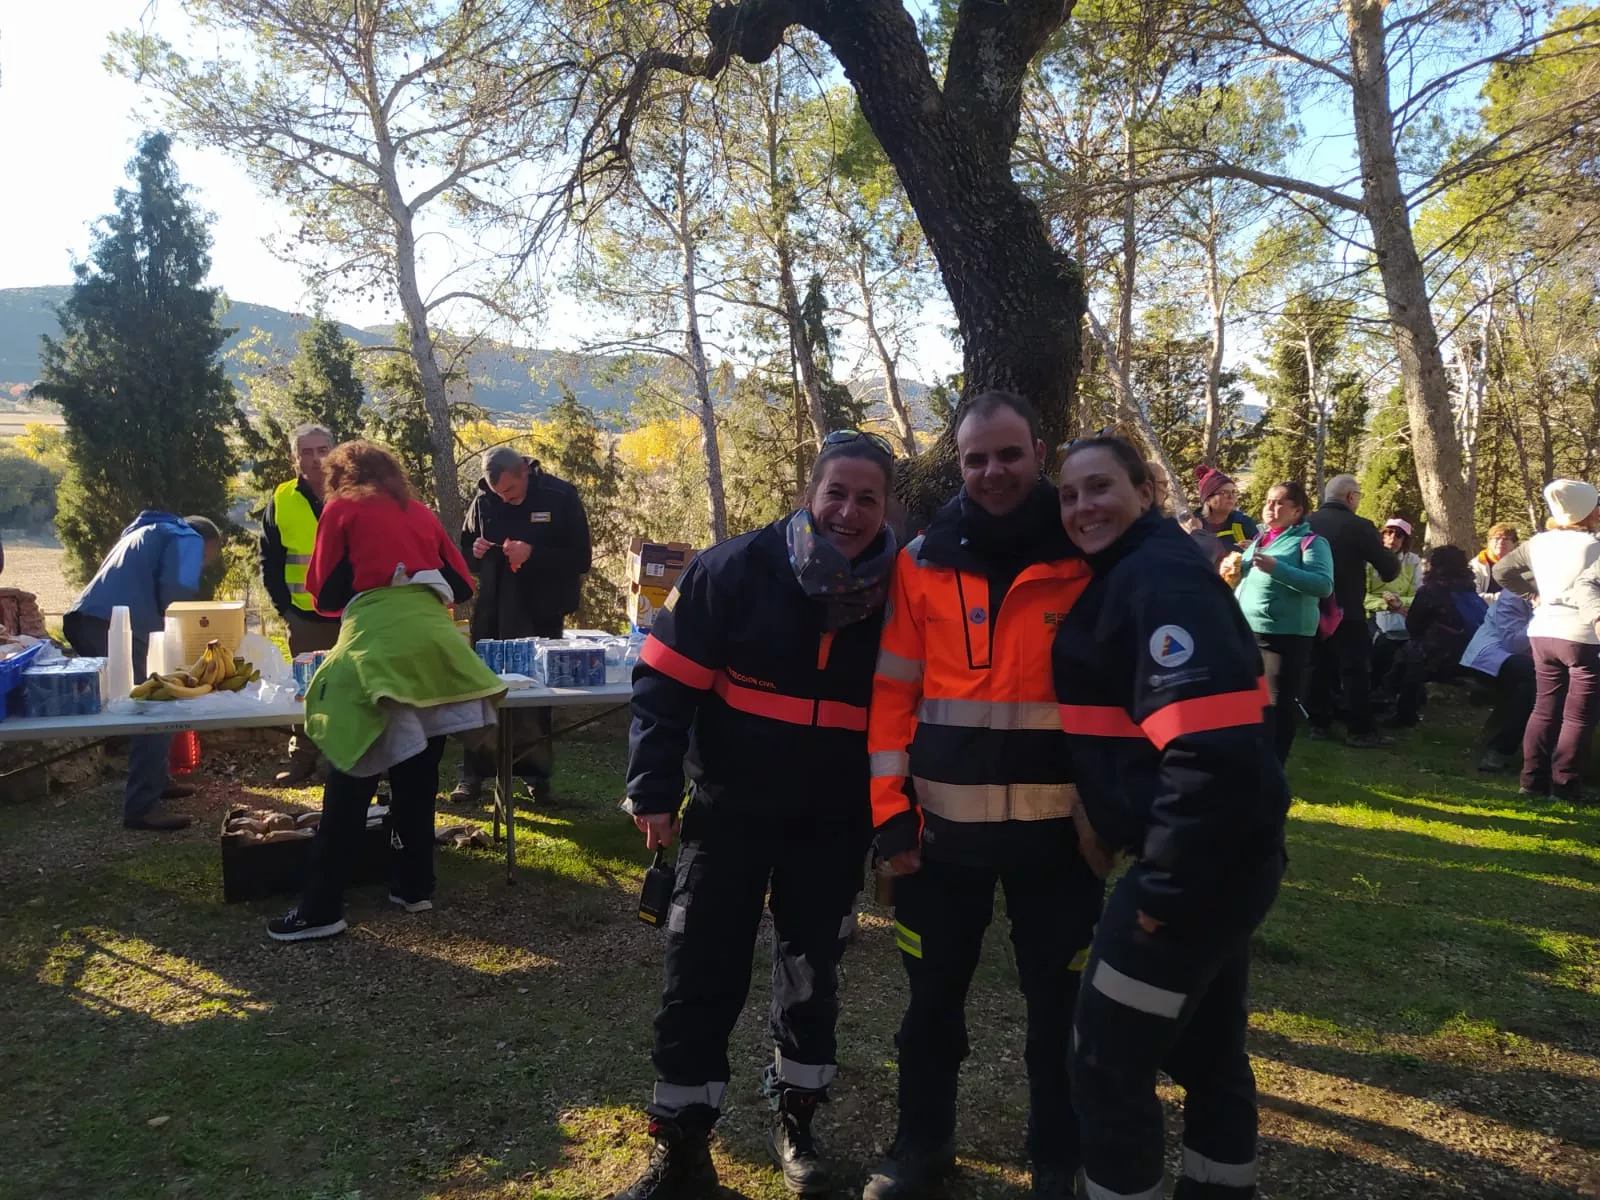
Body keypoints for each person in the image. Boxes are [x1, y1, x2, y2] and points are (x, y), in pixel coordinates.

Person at [614, 431, 898, 1199]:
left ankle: (797, 1121)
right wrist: (651, 789)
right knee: (699, 973)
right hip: (729, 811)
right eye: (836, 492)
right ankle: (681, 1147)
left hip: (834, 823)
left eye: (867, 498)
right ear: (811, 492)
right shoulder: (732, 568)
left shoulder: (901, 591)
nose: (849, 511)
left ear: (886, 506)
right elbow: (664, 685)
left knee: (813, 980)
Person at [864, 391, 1103, 1200]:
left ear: (1040, 451)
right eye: (975, 458)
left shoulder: (1090, 554)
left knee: (1061, 1014)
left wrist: (1110, 810)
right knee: (930, 1010)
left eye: (1008, 454)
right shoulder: (920, 559)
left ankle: (1057, 1163)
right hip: (940, 840)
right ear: (957, 464)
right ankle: (919, 1147)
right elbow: (892, 695)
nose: (992, 471)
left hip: (1062, 844)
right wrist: (888, 812)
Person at [1052, 435, 1288, 1200]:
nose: (1084, 507)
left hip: (1193, 874)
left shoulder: (1160, 582)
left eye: (1100, 487)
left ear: (1145, 490)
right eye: (1070, 495)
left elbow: (1211, 756)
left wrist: (1163, 894)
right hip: (1225, 863)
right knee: (1213, 1053)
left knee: (1105, 1062)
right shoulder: (1138, 569)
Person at [268, 441, 504, 942]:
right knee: (418, 778)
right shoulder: (418, 511)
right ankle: (414, 886)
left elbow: (322, 594)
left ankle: (321, 907)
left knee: (351, 778)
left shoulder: (340, 509)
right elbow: (463, 585)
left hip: (377, 646)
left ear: (338, 476)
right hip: (437, 650)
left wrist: (372, 588)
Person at [63, 512, 223, 831]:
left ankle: (158, 781)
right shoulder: (187, 537)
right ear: (207, 544)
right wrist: (187, 633)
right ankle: (141, 808)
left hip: (89, 619)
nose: (204, 566)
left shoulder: (150, 531)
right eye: (208, 559)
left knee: (148, 703)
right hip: (118, 624)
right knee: (154, 707)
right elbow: (175, 592)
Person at [452, 448, 591, 805]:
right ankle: (473, 775)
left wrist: (533, 554)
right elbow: (465, 551)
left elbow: (581, 558)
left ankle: (535, 778)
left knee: (536, 696)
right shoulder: (483, 501)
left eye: (511, 492)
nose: (506, 500)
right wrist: (476, 553)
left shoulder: (560, 496)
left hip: (542, 611)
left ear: (525, 471)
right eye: (499, 494)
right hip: (493, 613)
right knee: (481, 693)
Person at [1493, 479, 1600, 803]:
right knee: (1578, 716)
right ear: (1586, 510)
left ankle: (1531, 782)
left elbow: (1501, 571)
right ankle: (1565, 787)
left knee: (1544, 709)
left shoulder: (1538, 543)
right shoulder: (1594, 545)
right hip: (1582, 634)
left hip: (1542, 631)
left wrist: (1533, 595)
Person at [1228, 481, 1333, 763]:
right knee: (1247, 700)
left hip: (1283, 636)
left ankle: (1273, 766)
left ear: (1297, 510)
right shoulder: (1261, 539)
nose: (1270, 508)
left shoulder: (1310, 542)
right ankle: (1249, 760)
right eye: (1267, 501)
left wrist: (1279, 569)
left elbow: (1323, 585)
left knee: (1276, 705)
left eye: (1278, 503)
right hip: (1248, 631)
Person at [260, 422, 340, 785]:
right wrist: (285, 610)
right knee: (304, 691)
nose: (315, 458)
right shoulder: (282, 499)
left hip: (351, 613)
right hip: (304, 616)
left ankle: (350, 759)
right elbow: (270, 560)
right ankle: (303, 758)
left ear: (333, 452)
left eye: (322, 450)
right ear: (294, 458)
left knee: (355, 686)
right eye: (306, 452)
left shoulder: (353, 495)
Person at [1306, 475, 1400, 747]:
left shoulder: (1306, 523)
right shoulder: (1359, 526)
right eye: (1358, 496)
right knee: (1355, 670)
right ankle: (1360, 730)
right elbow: (1389, 568)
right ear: (1350, 497)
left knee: (1316, 667)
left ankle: (1318, 724)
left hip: (1312, 607)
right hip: (1347, 609)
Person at [1385, 546, 1486, 729]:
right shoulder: (1468, 589)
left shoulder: (1430, 591)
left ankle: (1401, 712)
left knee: (1404, 655)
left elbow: (1413, 627)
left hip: (1438, 656)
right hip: (1470, 653)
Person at [1461, 590, 1535, 773]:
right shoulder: (1514, 595)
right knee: (1534, 680)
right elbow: (1513, 644)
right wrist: (1544, 616)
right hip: (1492, 655)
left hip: (1528, 657)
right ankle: (1500, 750)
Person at [1366, 517, 1424, 699]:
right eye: (1389, 533)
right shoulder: (1369, 560)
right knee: (1382, 644)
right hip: (1374, 613)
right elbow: (1360, 594)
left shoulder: (1412, 561)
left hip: (1403, 613)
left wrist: (1400, 603)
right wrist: (1384, 604)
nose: (1393, 538)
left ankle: (1403, 693)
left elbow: (1418, 594)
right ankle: (1375, 689)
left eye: (1399, 535)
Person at [1195, 465, 1258, 563]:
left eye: (1233, 492)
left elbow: (1265, 554)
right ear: (1208, 500)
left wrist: (1255, 548)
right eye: (1224, 492)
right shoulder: (1193, 527)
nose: (1231, 497)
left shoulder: (1245, 523)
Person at [1473, 523, 1519, 595]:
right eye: (1496, 538)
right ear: (1489, 542)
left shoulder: (1521, 564)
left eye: (1506, 539)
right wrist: (1507, 599)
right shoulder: (1477, 565)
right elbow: (1475, 598)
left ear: (1514, 544)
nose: (1500, 542)